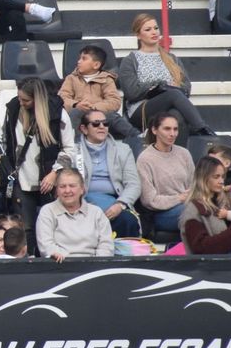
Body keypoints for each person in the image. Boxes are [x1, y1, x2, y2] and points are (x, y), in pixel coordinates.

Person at [116, 13, 211, 136]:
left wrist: (169, 88)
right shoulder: (130, 60)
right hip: (141, 109)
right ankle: (202, 129)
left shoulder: (172, 58)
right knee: (173, 94)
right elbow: (131, 92)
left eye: (156, 28)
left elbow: (186, 88)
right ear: (138, 35)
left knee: (177, 117)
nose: (154, 32)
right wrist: (159, 85)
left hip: (170, 105)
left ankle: (178, 153)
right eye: (148, 29)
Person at [1, 76, 72, 237]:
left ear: (37, 99)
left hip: (49, 180)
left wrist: (54, 173)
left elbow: (69, 149)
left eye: (25, 100)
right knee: (25, 229)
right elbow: (5, 140)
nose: (20, 102)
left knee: (53, 228)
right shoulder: (13, 109)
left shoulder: (57, 113)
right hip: (22, 180)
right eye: (19, 98)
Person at [71, 106, 143, 237]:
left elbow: (134, 184)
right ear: (83, 129)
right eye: (96, 124)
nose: (102, 127)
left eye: (105, 123)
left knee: (128, 220)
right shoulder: (73, 152)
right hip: (82, 204)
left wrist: (120, 204)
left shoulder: (123, 150)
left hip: (114, 204)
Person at [179, 157, 231, 255]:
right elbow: (200, 248)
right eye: (216, 177)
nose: (221, 181)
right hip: (208, 268)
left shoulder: (225, 202)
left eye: (222, 176)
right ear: (203, 178)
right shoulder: (192, 211)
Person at [59, 44, 137, 139]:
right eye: (79, 59)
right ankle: (76, 145)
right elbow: (62, 97)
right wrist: (76, 104)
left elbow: (114, 101)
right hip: (79, 112)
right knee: (74, 114)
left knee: (114, 117)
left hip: (100, 113)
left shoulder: (106, 79)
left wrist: (94, 107)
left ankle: (136, 136)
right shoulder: (71, 78)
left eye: (84, 59)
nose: (79, 62)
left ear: (96, 65)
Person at [35, 168, 113, 261]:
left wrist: (97, 264)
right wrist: (59, 257)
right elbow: (46, 245)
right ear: (57, 190)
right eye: (62, 186)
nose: (67, 190)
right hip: (60, 266)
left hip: (93, 267)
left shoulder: (96, 212)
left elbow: (106, 244)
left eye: (72, 186)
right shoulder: (47, 211)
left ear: (82, 189)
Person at [137, 113, 194, 233]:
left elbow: (193, 185)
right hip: (161, 213)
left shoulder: (184, 153)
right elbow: (149, 200)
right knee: (193, 212)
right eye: (167, 129)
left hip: (187, 205)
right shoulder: (145, 159)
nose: (172, 134)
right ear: (154, 130)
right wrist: (179, 198)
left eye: (175, 129)